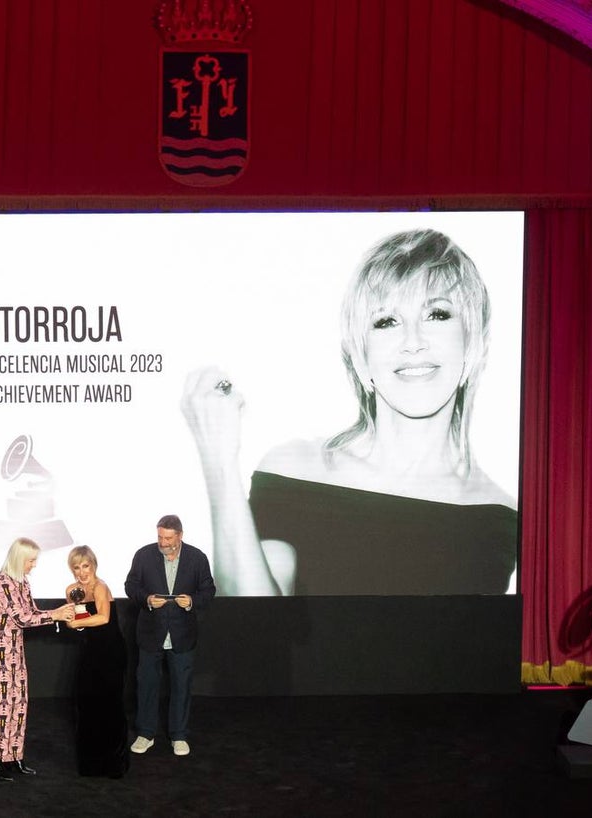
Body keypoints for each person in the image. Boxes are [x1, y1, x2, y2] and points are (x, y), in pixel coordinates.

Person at [181, 228, 518, 597]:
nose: (413, 342)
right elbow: (254, 627)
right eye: (386, 321)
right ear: (360, 356)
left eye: (436, 314)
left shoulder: (500, 516)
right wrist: (219, 463)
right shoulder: (294, 469)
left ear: (472, 341)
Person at [0, 537, 75, 781]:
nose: (34, 565)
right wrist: (56, 614)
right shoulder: (3, 583)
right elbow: (22, 618)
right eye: (31, 560)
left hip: (14, 650)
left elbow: (31, 613)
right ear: (20, 559)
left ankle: (14, 756)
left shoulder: (23, 583)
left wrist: (59, 614)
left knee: (18, 702)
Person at [124, 514, 216, 757]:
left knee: (181, 686)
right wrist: (146, 599)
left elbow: (209, 589)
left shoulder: (197, 558)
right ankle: (145, 734)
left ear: (180, 536)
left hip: (183, 634)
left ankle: (179, 735)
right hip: (150, 633)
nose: (162, 542)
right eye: (159, 537)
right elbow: (130, 585)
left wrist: (192, 601)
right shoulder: (144, 555)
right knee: (147, 685)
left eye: (167, 538)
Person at [63, 545, 130, 778]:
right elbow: (80, 620)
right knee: (87, 704)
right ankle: (91, 764)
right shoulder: (73, 590)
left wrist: (73, 623)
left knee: (110, 705)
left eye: (85, 566)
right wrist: (74, 621)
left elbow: (103, 617)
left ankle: (113, 764)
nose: (81, 572)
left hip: (111, 652)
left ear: (94, 565)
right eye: (76, 567)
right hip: (90, 651)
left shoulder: (101, 587)